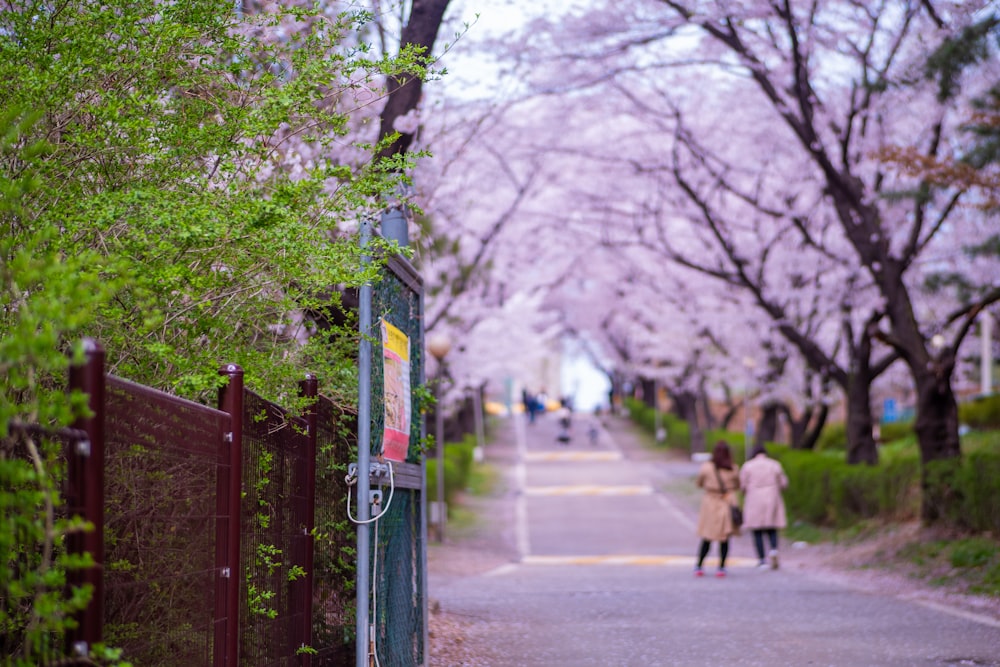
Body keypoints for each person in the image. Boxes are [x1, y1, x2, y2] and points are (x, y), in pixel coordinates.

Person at [694, 441, 741, 578]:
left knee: (707, 536)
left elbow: (699, 483)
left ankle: (699, 566)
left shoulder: (706, 467)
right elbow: (737, 485)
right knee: (724, 537)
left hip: (710, 502)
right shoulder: (733, 468)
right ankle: (721, 568)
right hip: (727, 502)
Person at [739, 443, 789, 570]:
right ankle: (773, 549)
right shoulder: (774, 464)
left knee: (757, 530)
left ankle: (762, 560)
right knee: (772, 527)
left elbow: (742, 486)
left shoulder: (748, 466)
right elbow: (784, 483)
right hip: (772, 497)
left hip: (754, 498)